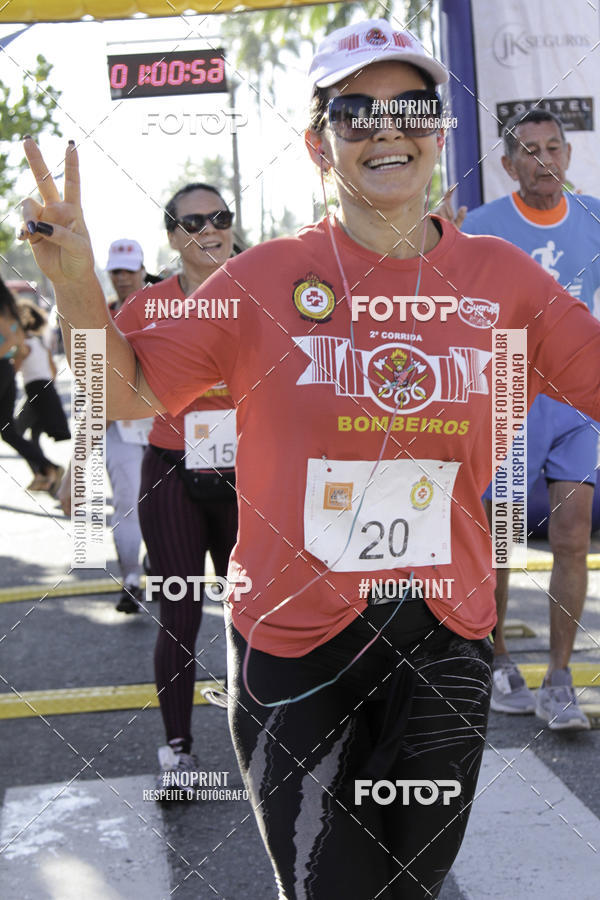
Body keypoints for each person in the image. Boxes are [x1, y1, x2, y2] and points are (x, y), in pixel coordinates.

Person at [20, 18, 600, 898]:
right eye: (353, 111)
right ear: (318, 141)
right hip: (295, 642)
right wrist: (70, 277)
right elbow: (122, 395)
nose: (385, 127)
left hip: (443, 638)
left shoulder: (503, 278)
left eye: (410, 105)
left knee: (407, 885)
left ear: (438, 128)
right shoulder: (258, 282)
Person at [462, 109, 598, 730]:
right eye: (529, 151)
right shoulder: (482, 227)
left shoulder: (594, 216)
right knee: (503, 538)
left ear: (568, 155)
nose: (544, 161)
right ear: (509, 164)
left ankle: (561, 679)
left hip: (576, 398)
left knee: (572, 537)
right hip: (513, 390)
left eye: (553, 148)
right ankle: (498, 660)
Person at [114, 183, 239, 792]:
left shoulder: (264, 291)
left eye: (220, 217)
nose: (209, 229)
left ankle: (273, 741)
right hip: (171, 470)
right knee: (180, 612)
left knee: (259, 615)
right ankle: (179, 752)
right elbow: (102, 377)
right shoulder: (145, 306)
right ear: (172, 236)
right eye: (193, 222)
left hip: (250, 475)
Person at [104, 239, 149, 613]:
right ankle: (131, 579)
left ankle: (160, 565)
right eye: (115, 271)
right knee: (127, 506)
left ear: (141, 270)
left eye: (128, 270)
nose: (122, 278)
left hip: (168, 428)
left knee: (166, 507)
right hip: (119, 428)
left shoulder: (167, 309)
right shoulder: (99, 316)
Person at [0, 276, 64, 495]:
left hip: (3, 369)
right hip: (6, 371)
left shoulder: (2, 312)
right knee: (9, 431)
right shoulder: (10, 310)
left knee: (11, 429)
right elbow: (18, 344)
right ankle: (48, 468)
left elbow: (12, 341)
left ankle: (46, 470)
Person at [15, 298, 71, 491]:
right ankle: (46, 476)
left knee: (16, 431)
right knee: (34, 436)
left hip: (35, 391)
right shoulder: (40, 342)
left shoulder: (24, 344)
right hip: (47, 390)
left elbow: (14, 369)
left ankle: (47, 471)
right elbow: (53, 369)